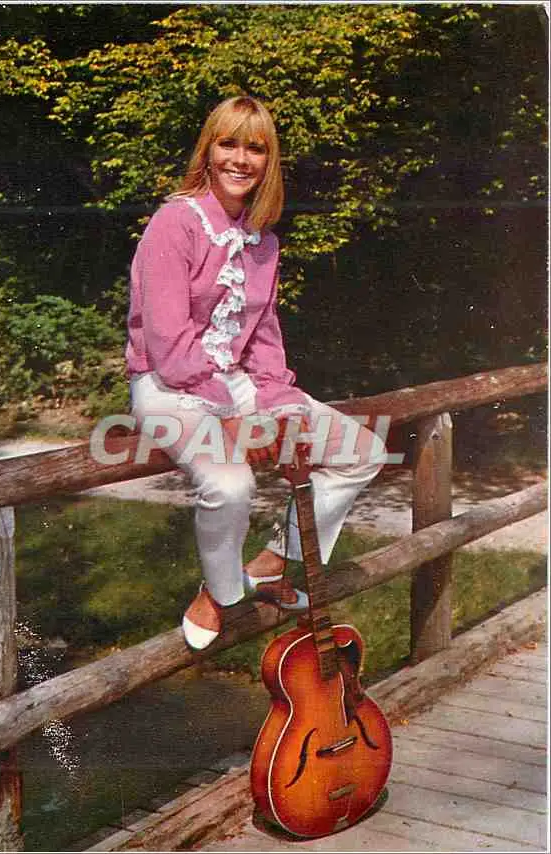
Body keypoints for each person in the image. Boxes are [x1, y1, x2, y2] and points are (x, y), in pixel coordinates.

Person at [125, 95, 384, 651]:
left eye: (256, 148)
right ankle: (219, 593)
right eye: (228, 144)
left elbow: (263, 336)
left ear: (269, 161)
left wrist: (278, 406)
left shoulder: (263, 241)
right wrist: (231, 422)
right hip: (168, 385)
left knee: (361, 451)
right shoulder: (175, 223)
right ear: (208, 150)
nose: (240, 159)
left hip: (235, 381)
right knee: (229, 483)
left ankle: (270, 564)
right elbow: (167, 341)